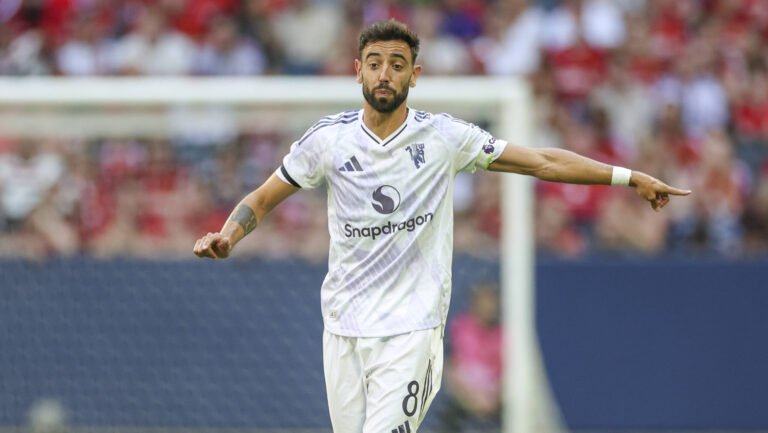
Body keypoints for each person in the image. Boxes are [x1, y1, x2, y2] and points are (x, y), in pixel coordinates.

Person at [193, 19, 691, 433]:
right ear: (357, 72)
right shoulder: (328, 141)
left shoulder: (444, 138)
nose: (384, 74)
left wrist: (629, 177)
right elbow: (262, 197)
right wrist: (229, 234)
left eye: (397, 64)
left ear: (415, 75)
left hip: (412, 328)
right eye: (374, 64)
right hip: (342, 326)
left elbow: (541, 161)